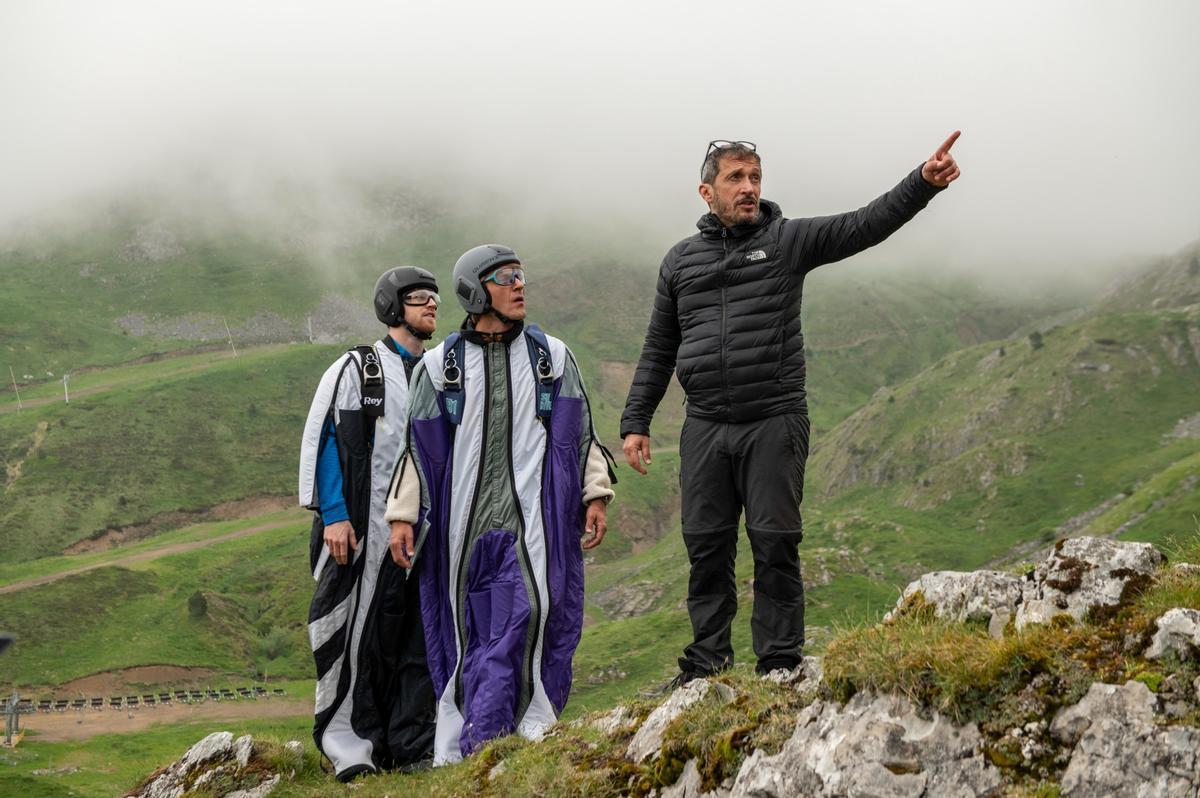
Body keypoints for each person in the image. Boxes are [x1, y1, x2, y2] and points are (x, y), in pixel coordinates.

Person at [620, 134, 962, 682]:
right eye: (736, 178)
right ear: (707, 192)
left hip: (773, 420)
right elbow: (660, 347)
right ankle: (706, 663)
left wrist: (921, 183)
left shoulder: (786, 242)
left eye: (755, 177)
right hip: (704, 425)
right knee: (706, 546)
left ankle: (779, 662)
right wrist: (636, 422)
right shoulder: (680, 261)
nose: (749, 188)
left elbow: (863, 224)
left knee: (774, 541)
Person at [385, 244, 614, 765]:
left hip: (533, 520)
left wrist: (596, 494)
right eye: (506, 276)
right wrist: (402, 517)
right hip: (459, 527)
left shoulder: (551, 358)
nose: (519, 285)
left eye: (521, 275)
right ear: (475, 290)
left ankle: (507, 735)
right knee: (465, 630)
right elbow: (416, 451)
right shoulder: (440, 367)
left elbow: (581, 435)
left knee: (528, 614)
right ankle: (468, 744)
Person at [298, 266, 441, 781]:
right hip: (362, 534)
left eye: (435, 298)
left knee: (417, 639)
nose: (432, 304)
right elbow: (328, 439)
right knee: (356, 639)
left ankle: (410, 745)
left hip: (424, 535)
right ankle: (350, 744)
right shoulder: (360, 368)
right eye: (419, 297)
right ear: (392, 307)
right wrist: (334, 516)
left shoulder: (440, 373)